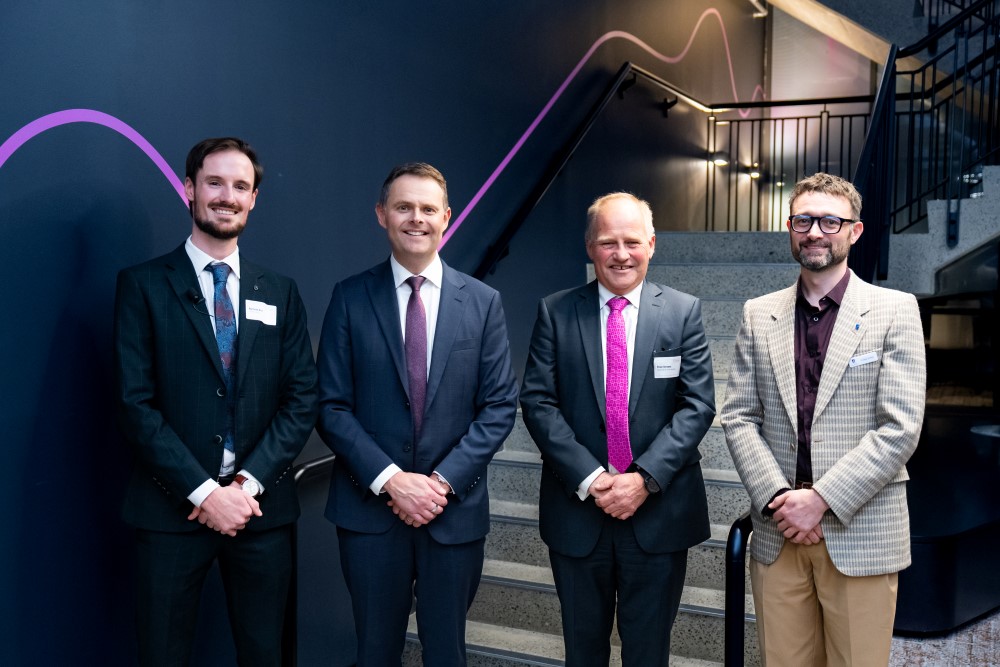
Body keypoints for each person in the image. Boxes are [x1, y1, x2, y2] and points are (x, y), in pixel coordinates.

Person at [114, 137, 318, 666]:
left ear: (254, 200)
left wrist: (244, 487)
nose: (227, 196)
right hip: (169, 510)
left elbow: (300, 400)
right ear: (189, 189)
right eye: (215, 183)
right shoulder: (142, 286)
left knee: (267, 654)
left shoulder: (282, 292)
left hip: (261, 512)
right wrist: (206, 493)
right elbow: (135, 405)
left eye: (240, 186)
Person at [315, 162, 519, 666]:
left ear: (446, 217)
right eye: (403, 207)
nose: (416, 218)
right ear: (382, 214)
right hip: (370, 512)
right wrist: (391, 480)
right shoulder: (349, 297)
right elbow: (331, 405)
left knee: (447, 654)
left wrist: (441, 483)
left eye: (428, 209)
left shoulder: (484, 302)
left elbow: (498, 407)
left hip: (453, 512)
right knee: (375, 653)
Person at [721, 173, 926, 666]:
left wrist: (821, 500)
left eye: (830, 221)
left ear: (854, 231)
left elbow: (900, 427)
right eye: (804, 220)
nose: (815, 231)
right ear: (791, 228)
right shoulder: (758, 313)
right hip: (780, 533)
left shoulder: (894, 310)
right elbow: (738, 416)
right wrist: (781, 501)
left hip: (860, 532)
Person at [520, 192, 716, 666]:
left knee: (648, 654)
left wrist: (643, 478)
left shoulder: (683, 311)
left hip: (658, 514)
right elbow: (538, 402)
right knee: (582, 652)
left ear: (652, 244)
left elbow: (697, 405)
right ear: (590, 247)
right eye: (608, 242)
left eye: (632, 241)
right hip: (578, 513)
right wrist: (593, 478)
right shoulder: (555, 311)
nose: (621, 254)